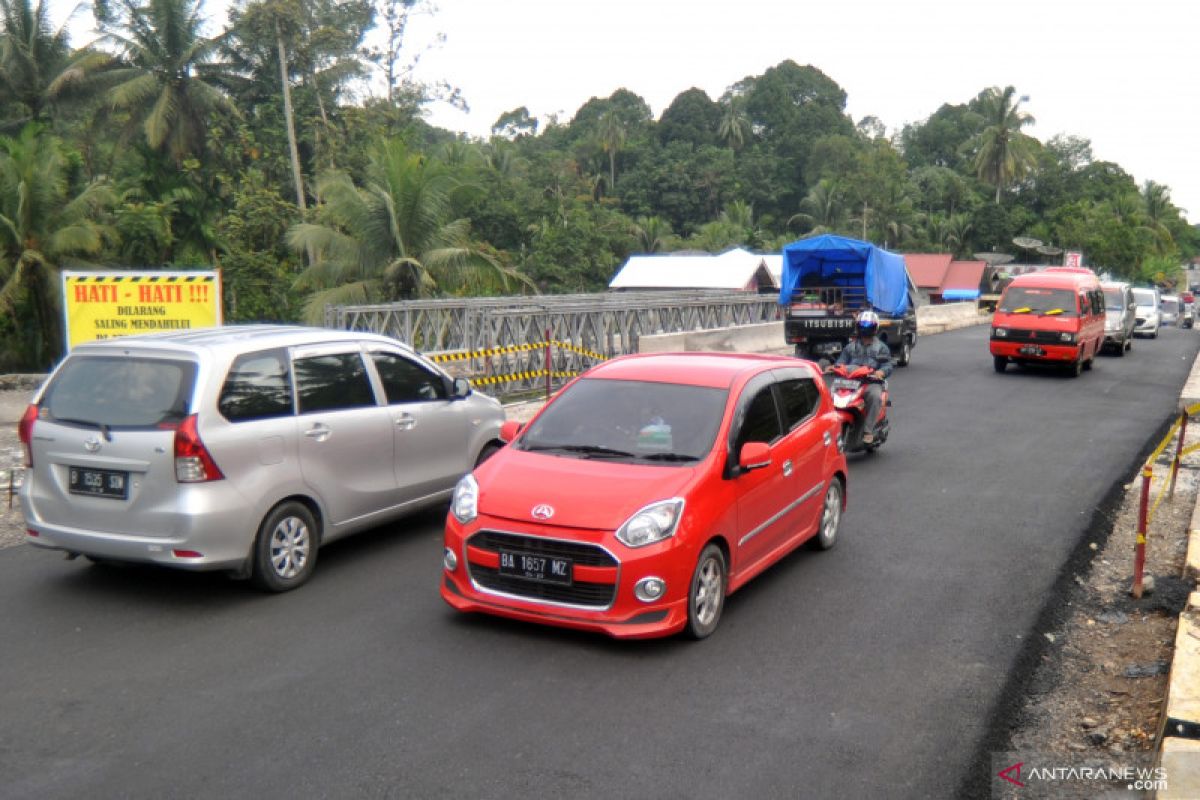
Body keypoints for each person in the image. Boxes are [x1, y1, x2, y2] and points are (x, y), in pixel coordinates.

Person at [825, 310, 893, 444]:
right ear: (858, 327)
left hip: (870, 381)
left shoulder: (881, 348)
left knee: (874, 397)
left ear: (875, 328)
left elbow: (888, 365)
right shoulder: (850, 347)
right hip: (849, 381)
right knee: (828, 395)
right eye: (863, 326)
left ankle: (868, 430)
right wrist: (833, 367)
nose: (865, 329)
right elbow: (841, 361)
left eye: (869, 326)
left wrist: (881, 372)